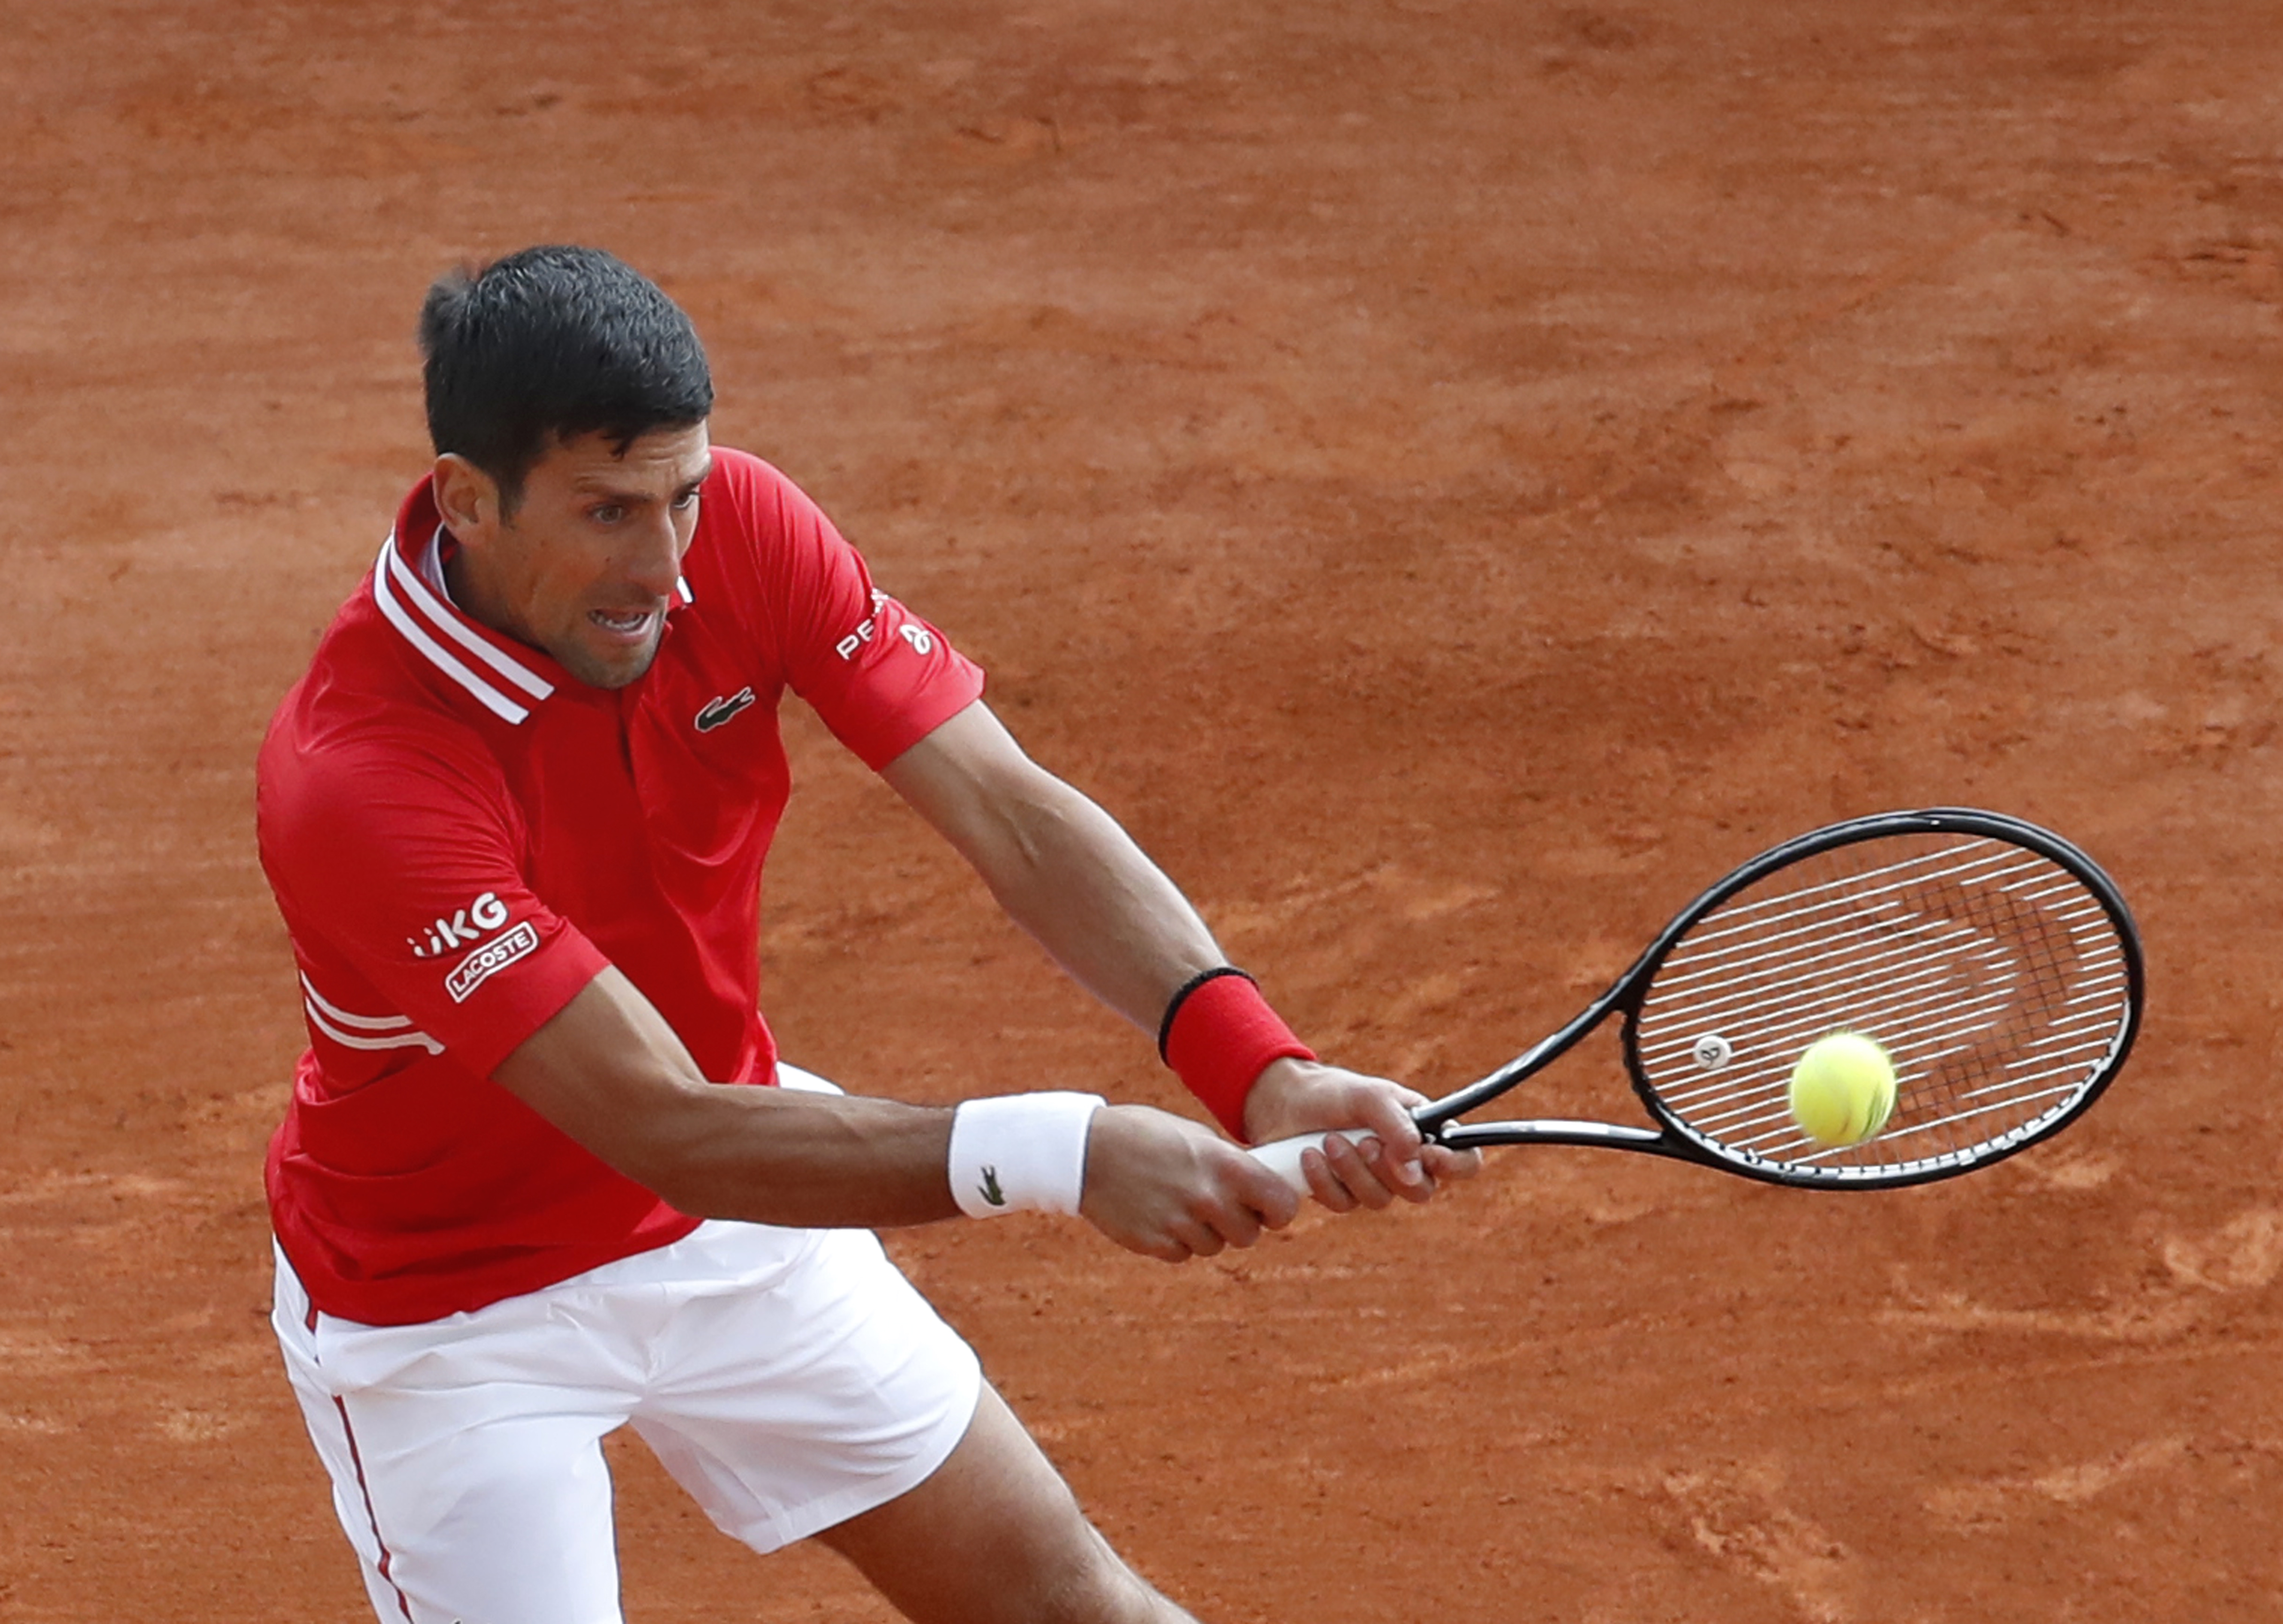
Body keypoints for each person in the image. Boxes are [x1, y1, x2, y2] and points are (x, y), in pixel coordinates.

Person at [255, 243, 1475, 1624]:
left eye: (684, 497)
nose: (662, 566)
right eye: (607, 512)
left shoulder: (749, 537)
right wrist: (1061, 1151)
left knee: (1073, 1604)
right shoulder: (361, 777)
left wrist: (1261, 1069)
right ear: (469, 501)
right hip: (458, 1321)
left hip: (747, 1223)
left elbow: (1010, 812)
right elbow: (666, 1122)